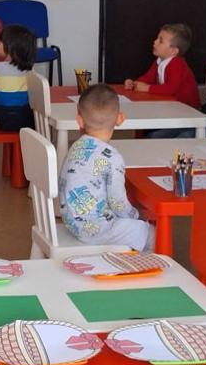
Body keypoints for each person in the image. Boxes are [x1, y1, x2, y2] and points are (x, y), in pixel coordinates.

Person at [60, 83, 153, 250]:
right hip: (96, 230)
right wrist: (136, 215)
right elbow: (117, 202)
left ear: (79, 120)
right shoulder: (112, 158)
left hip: (71, 222)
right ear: (120, 119)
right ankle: (144, 265)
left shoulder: (76, 146)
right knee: (148, 232)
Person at [124, 22, 200, 108]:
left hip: (187, 108)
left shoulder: (177, 64)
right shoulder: (159, 60)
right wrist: (135, 83)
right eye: (157, 38)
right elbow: (148, 77)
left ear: (173, 51)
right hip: (171, 104)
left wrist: (147, 88)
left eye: (160, 41)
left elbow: (171, 88)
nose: (155, 42)